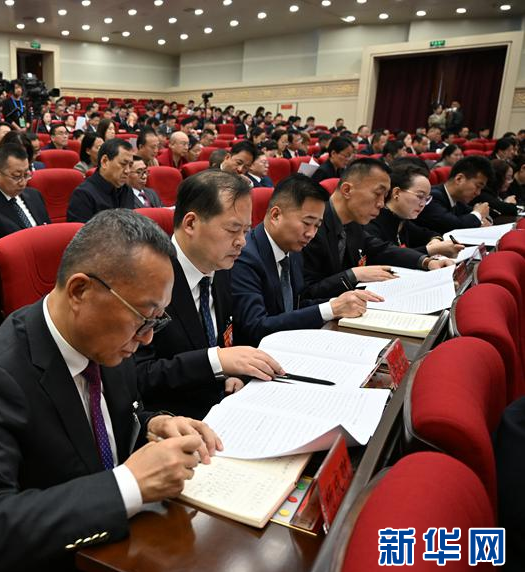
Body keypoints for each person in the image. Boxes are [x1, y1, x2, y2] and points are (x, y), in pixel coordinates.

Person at [0, 208, 222, 572]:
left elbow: (104, 424)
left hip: (125, 548)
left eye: (157, 321)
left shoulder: (108, 341)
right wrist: (128, 484)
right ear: (80, 291)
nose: (147, 339)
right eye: (143, 318)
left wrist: (153, 423)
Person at [134, 170, 285, 418]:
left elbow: (226, 338)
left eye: (246, 231)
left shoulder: (220, 266)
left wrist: (230, 374)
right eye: (233, 230)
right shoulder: (145, 278)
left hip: (223, 406)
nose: (242, 242)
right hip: (172, 418)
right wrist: (216, 361)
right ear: (191, 223)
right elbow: (138, 375)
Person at [232, 174, 382, 347]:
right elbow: (256, 327)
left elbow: (297, 303)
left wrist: (340, 302)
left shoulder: (293, 250)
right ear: (276, 215)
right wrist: (330, 309)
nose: (311, 233)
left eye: (317, 226)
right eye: (306, 223)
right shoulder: (244, 257)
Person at [302, 158, 452, 300]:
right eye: (378, 194)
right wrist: (353, 275)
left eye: (385, 196)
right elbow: (305, 294)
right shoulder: (311, 226)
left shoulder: (353, 222)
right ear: (347, 190)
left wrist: (426, 261)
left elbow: (380, 249)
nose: (381, 203)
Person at [365, 161, 463, 257]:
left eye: (427, 199)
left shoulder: (402, 220)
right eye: (420, 196)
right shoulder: (373, 222)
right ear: (396, 193)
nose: (423, 204)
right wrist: (432, 250)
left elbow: (428, 234)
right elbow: (386, 257)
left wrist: (435, 240)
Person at [414, 155, 492, 234]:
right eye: (478, 186)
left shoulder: (458, 201)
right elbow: (454, 226)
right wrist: (478, 214)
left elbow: (474, 216)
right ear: (459, 179)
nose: (478, 193)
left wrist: (480, 218)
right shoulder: (432, 197)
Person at [67, 138, 134, 222]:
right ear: (104, 161)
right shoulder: (83, 195)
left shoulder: (127, 190)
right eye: (123, 164)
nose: (128, 171)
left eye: (130, 165)